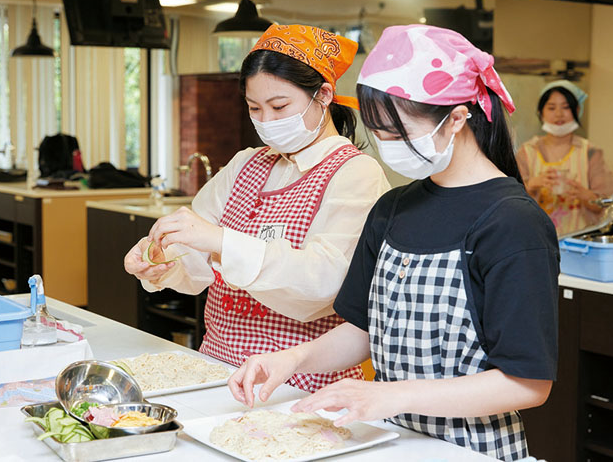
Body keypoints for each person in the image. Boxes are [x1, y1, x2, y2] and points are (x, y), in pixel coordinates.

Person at [228, 25, 559, 461]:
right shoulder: (392, 208)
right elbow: (365, 330)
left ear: (457, 118)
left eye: (397, 131)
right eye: (378, 132)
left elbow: (528, 383)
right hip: (390, 442)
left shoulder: (513, 223)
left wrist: (389, 396)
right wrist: (292, 359)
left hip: (472, 449)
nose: (386, 145)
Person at [124, 24, 390, 393]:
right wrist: (159, 263)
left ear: (324, 95)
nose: (266, 121)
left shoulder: (355, 173)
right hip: (216, 368)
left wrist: (220, 241)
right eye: (254, 108)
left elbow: (325, 284)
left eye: (280, 106)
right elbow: (196, 264)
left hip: (302, 383)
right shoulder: (245, 164)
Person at [516, 80, 613, 236]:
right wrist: (532, 185)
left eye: (566, 107)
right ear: (541, 112)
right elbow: (510, 202)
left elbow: (606, 205)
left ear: (578, 110)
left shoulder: (590, 152)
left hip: (580, 242)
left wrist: (587, 196)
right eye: (552, 108)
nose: (559, 114)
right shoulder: (526, 152)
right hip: (535, 238)